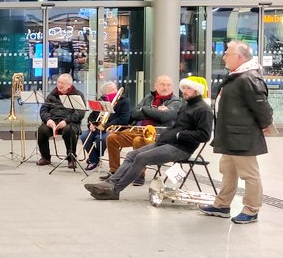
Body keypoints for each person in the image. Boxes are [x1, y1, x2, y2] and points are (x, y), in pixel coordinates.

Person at [84, 77, 214, 200]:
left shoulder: (203, 110)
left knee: (141, 158)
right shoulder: (186, 106)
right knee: (131, 155)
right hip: (167, 142)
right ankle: (110, 183)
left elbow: (204, 135)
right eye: (184, 88)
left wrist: (179, 135)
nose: (184, 91)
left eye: (188, 88)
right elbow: (137, 113)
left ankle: (115, 190)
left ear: (197, 91)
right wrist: (168, 134)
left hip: (182, 148)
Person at [199, 41, 274, 224]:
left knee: (249, 174)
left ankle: (251, 209)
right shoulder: (237, 76)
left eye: (227, 53)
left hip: (243, 137)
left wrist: (266, 124)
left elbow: (261, 106)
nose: (224, 56)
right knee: (228, 171)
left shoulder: (249, 78)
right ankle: (222, 205)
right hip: (231, 135)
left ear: (239, 57)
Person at [103, 75, 183, 182]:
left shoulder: (176, 101)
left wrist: (144, 109)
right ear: (156, 86)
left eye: (169, 85)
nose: (166, 88)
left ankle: (138, 175)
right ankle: (115, 172)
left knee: (138, 141)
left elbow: (164, 116)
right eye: (162, 84)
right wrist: (153, 110)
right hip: (139, 130)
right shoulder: (148, 97)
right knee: (112, 138)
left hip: (157, 135)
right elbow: (134, 113)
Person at [36, 74, 86, 169]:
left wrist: (66, 121)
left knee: (69, 130)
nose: (59, 85)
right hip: (53, 121)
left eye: (62, 83)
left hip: (70, 123)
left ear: (69, 85)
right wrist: (48, 120)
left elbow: (80, 113)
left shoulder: (78, 95)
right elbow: (43, 109)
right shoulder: (52, 94)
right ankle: (45, 157)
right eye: (58, 82)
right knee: (41, 130)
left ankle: (71, 158)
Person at [80, 82, 130, 171]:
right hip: (99, 127)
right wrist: (91, 124)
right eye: (112, 90)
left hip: (114, 128)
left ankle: (94, 158)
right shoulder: (101, 101)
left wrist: (106, 126)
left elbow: (124, 119)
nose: (115, 91)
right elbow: (92, 116)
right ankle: (94, 160)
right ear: (105, 93)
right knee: (84, 137)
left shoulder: (124, 101)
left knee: (101, 139)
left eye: (115, 89)